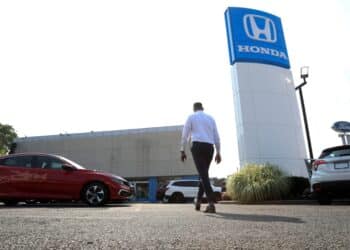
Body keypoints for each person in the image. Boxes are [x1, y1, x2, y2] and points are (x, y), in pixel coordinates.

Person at [180, 102, 221, 213]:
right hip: (209, 147)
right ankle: (198, 201)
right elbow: (217, 136)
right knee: (204, 174)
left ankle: (211, 203)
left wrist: (182, 150)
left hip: (197, 146)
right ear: (203, 108)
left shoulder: (191, 117)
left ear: (194, 109)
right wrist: (218, 152)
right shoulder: (210, 118)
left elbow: (185, 135)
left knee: (203, 174)